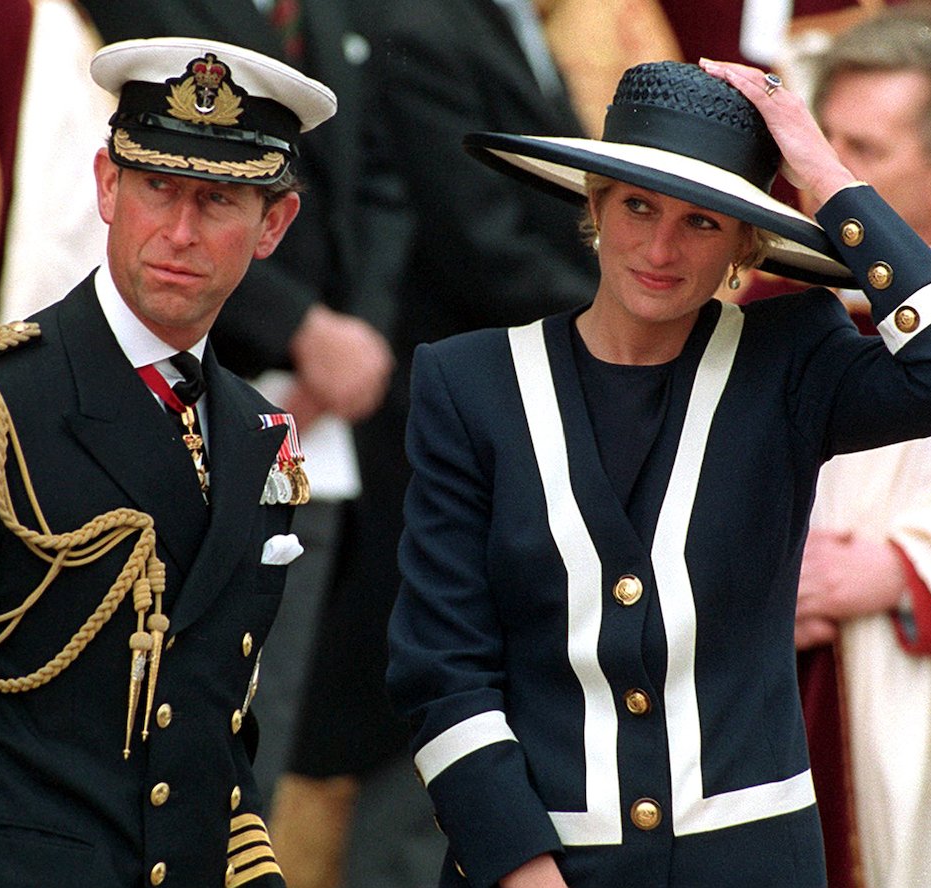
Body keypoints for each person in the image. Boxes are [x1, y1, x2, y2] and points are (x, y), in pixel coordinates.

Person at [386, 57, 931, 887]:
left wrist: (822, 169)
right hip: (535, 865)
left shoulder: (790, 359)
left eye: (704, 221)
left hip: (750, 863)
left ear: (748, 241)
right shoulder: (469, 384)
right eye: (638, 206)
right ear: (594, 205)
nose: (662, 249)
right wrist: (521, 869)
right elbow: (443, 667)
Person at [0, 36, 334, 887]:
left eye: (217, 201)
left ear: (273, 225)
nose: (179, 231)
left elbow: (213, 727)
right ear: (108, 186)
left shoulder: (256, 434)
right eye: (157, 189)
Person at [270, 2, 601, 885]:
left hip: (512, 414)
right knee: (418, 712)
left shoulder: (513, 28)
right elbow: (478, 239)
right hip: (434, 422)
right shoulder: (424, 27)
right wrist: (631, 318)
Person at [752, 10, 931, 888]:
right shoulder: (753, 298)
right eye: (819, 148)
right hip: (756, 709)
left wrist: (911, 573)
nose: (822, 183)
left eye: (860, 153)